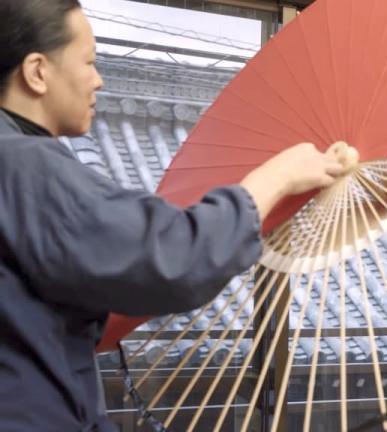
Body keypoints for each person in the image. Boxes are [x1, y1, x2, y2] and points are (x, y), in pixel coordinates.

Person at [0, 0, 344, 429]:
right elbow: (172, 255)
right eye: (88, 62)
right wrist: (275, 179)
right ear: (37, 72)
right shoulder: (23, 164)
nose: (99, 80)